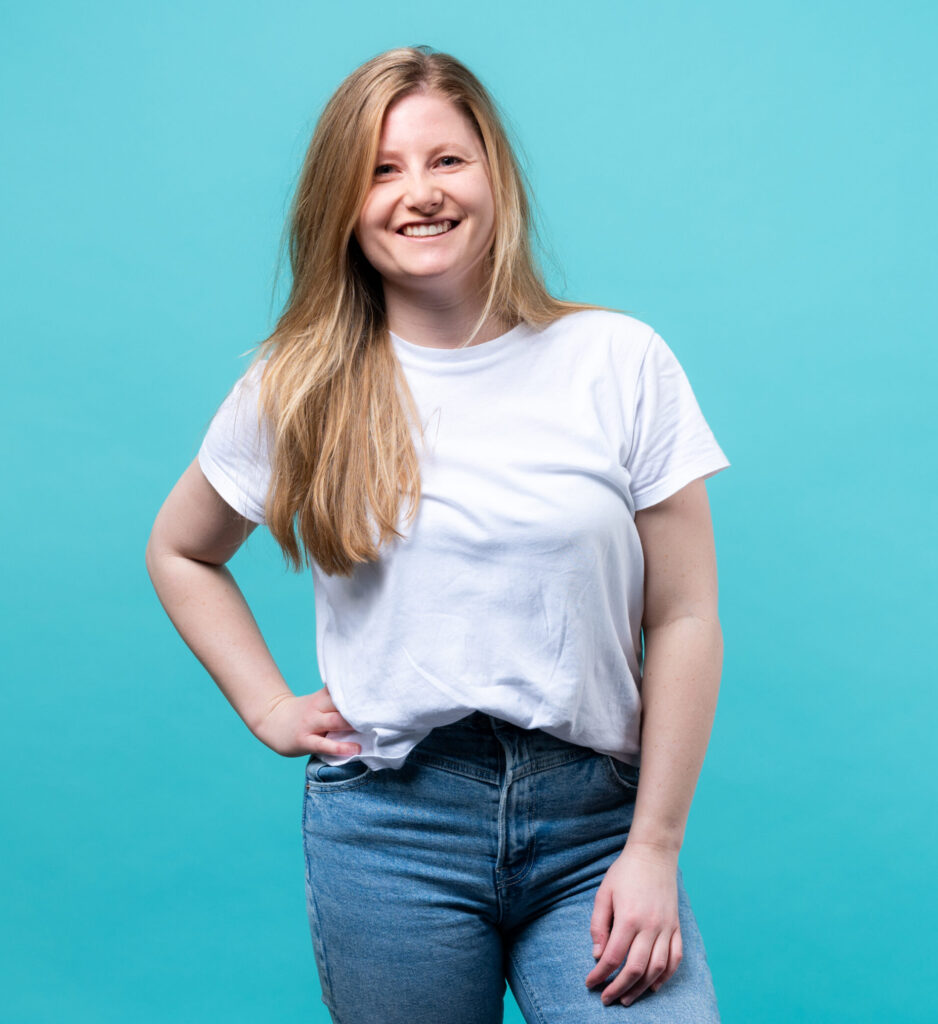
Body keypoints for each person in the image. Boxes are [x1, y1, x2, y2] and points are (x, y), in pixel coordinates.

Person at [145, 44, 729, 1023]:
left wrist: (654, 845)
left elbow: (683, 615)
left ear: (493, 173)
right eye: (381, 170)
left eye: (446, 159)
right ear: (343, 204)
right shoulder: (300, 384)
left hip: (594, 822)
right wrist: (268, 707)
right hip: (391, 831)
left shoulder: (618, 360)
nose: (419, 192)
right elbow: (181, 550)